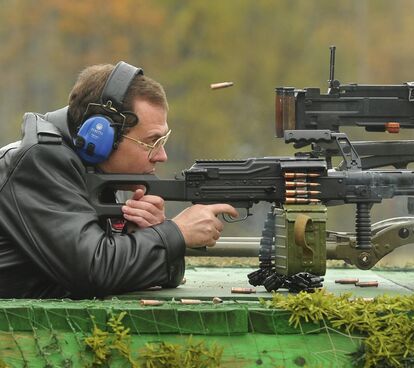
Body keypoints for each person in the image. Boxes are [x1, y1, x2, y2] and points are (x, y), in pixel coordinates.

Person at [0, 61, 237, 298]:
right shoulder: (39, 161)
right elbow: (92, 271)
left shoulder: (101, 172)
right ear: (101, 136)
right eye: (152, 142)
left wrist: (151, 232)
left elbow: (162, 277)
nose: (161, 156)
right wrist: (175, 232)